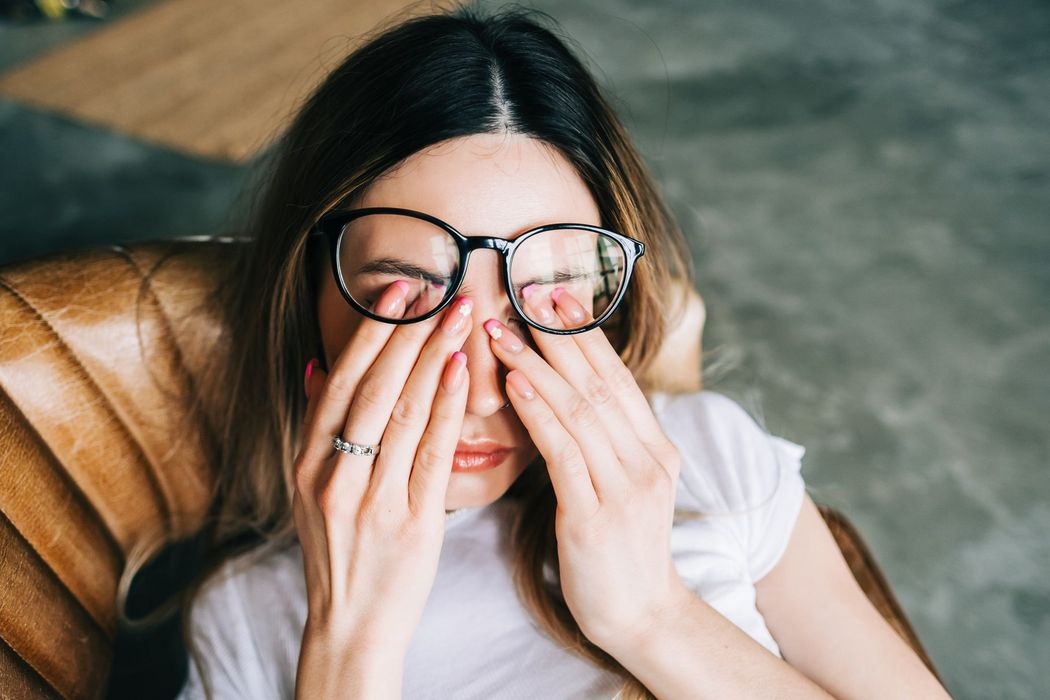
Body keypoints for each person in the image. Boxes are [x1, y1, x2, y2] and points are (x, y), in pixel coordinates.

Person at [174, 5, 952, 699]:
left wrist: (652, 614)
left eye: (546, 299)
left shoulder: (708, 455)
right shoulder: (247, 617)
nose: (482, 391)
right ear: (307, 296)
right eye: (408, 301)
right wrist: (349, 647)